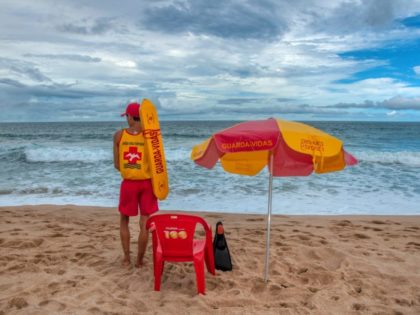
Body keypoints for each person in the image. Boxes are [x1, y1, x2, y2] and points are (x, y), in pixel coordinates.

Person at [113, 102, 158, 267]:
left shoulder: (118, 135)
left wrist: (130, 167)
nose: (126, 119)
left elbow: (117, 165)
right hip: (147, 184)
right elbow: (157, 163)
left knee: (124, 220)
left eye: (126, 116)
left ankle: (126, 258)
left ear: (130, 116)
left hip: (129, 184)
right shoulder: (151, 136)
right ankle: (139, 260)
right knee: (144, 222)